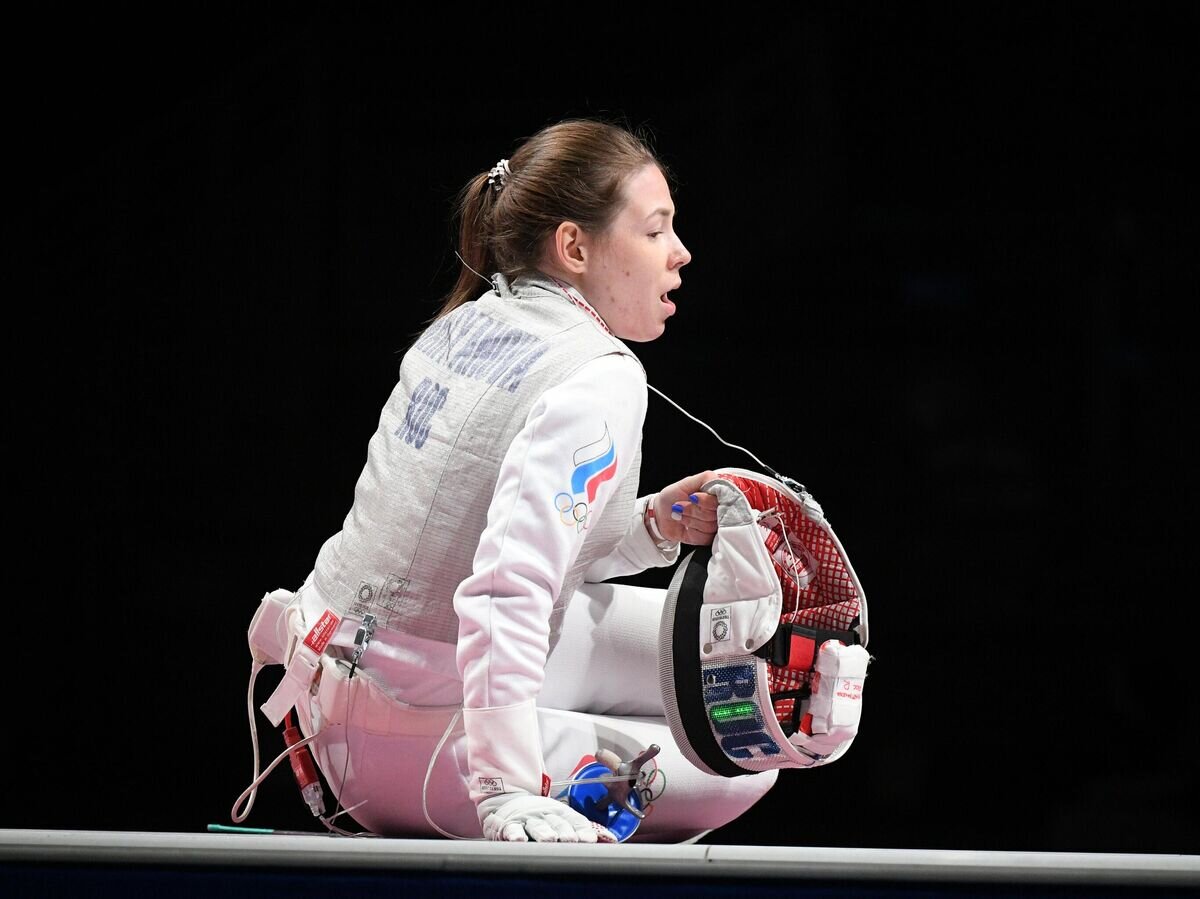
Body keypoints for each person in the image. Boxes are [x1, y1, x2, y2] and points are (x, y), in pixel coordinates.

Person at [249, 118, 781, 843]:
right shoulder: (597, 375)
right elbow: (506, 588)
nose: (680, 252)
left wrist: (653, 524)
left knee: (737, 689)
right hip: (412, 751)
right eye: (655, 230)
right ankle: (517, 796)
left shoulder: (466, 324)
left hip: (334, 698)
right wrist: (505, 788)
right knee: (743, 756)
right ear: (574, 247)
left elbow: (487, 543)